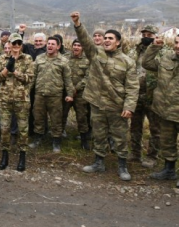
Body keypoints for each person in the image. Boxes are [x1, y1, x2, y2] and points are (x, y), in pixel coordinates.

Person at [71, 11, 139, 181]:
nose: (107, 40)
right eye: (105, 37)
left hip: (117, 106)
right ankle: (98, 162)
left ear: (118, 42)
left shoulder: (127, 62)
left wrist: (129, 107)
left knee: (120, 137)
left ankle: (122, 166)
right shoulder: (96, 53)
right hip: (98, 104)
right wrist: (78, 24)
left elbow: (132, 87)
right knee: (99, 134)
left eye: (111, 38)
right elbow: (85, 40)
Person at [142, 33, 179, 187]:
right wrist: (154, 46)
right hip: (165, 110)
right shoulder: (167, 58)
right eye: (176, 42)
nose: (178, 46)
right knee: (167, 142)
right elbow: (147, 63)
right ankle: (169, 170)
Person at [0, 33, 33, 171]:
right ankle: (4, 156)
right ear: (9, 44)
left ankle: (22, 157)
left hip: (21, 99)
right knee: (4, 129)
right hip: (4, 99)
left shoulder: (27, 58)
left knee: (23, 130)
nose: (16, 46)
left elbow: (29, 78)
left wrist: (15, 71)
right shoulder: (2, 58)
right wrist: (7, 68)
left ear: (21, 45)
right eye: (14, 43)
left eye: (18, 43)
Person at [29, 36, 74, 153]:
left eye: (53, 44)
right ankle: (38, 138)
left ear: (58, 46)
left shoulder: (63, 61)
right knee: (38, 118)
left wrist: (70, 94)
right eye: (48, 43)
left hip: (55, 96)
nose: (49, 46)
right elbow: (33, 77)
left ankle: (56, 142)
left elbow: (68, 80)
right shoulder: (39, 59)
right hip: (40, 94)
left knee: (56, 119)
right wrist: (27, 91)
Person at [127, 25, 161, 168]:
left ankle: (152, 156)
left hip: (153, 95)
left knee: (155, 128)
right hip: (136, 94)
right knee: (135, 126)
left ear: (155, 36)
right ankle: (135, 153)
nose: (146, 37)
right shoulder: (135, 50)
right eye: (144, 34)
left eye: (150, 35)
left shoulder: (163, 51)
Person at [61, 39, 90, 150]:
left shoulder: (87, 60)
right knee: (62, 115)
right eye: (75, 45)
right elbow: (62, 73)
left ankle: (84, 141)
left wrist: (76, 89)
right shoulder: (66, 58)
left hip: (80, 94)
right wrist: (69, 89)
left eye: (79, 45)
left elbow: (88, 77)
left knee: (82, 117)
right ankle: (58, 138)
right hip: (66, 92)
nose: (76, 47)